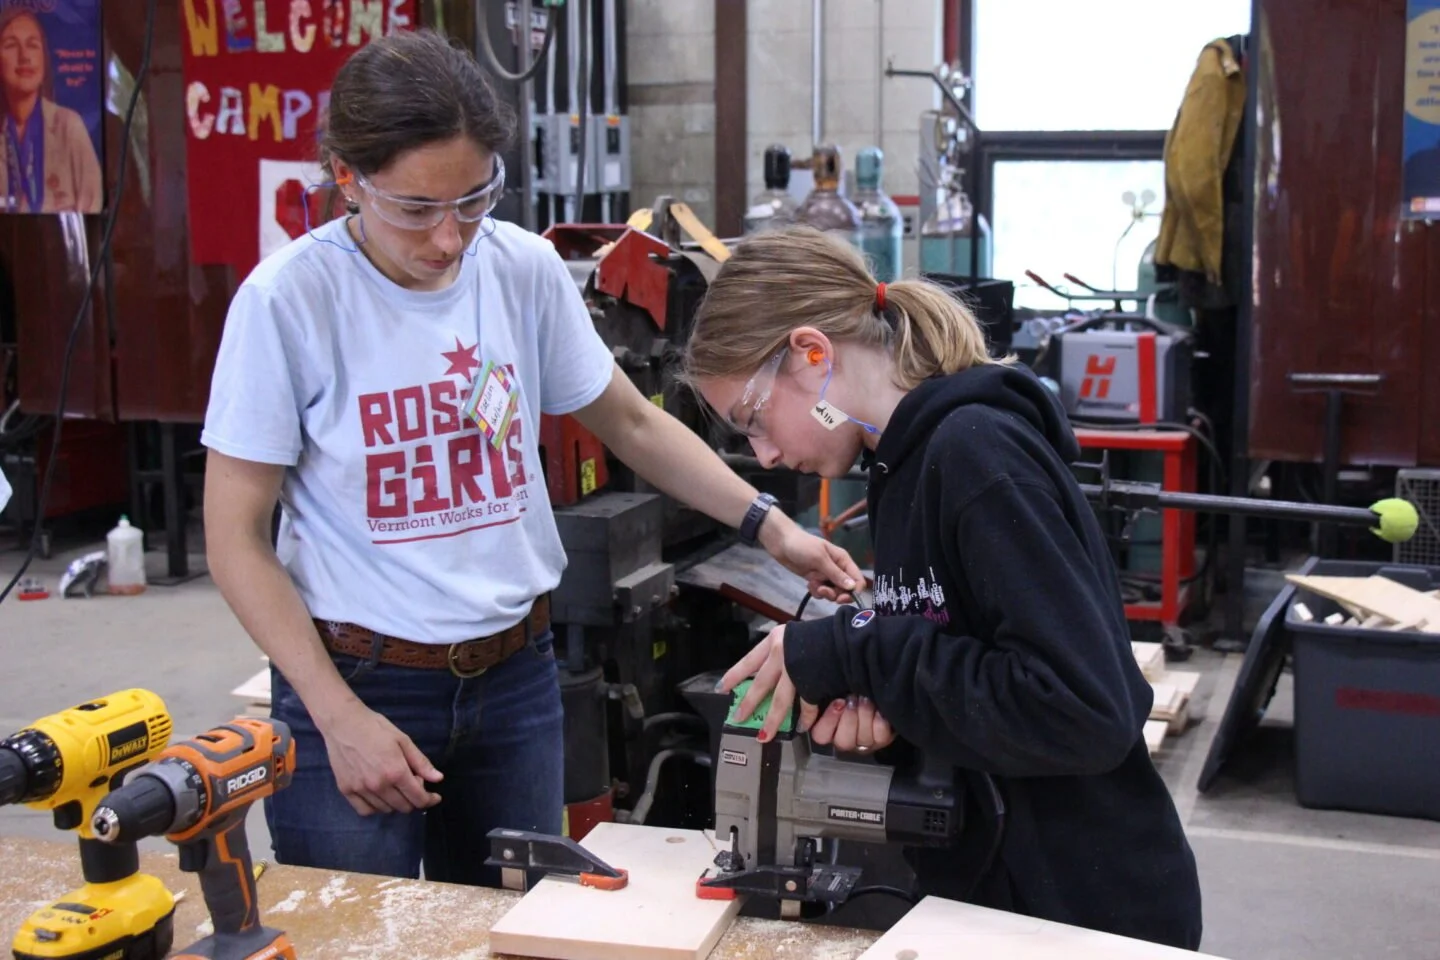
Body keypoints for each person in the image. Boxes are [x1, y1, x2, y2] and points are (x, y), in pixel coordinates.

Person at [199, 30, 861, 885]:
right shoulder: (287, 302)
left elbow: (631, 422)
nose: (449, 239)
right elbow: (235, 538)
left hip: (514, 679)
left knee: (511, 924)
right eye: (416, 209)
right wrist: (336, 715)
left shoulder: (520, 268)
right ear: (347, 177)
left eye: (475, 200)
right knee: (361, 932)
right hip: (358, 683)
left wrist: (769, 526)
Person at [684, 225, 1204, 950]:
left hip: (1087, 911)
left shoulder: (975, 455)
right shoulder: (899, 468)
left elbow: (1086, 710)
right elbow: (977, 669)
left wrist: (859, 651)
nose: (764, 454)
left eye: (753, 419)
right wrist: (894, 705)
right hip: (1000, 897)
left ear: (812, 354)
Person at [0, 8, 102, 214]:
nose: (24, 56)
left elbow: (93, 204)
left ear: (44, 60)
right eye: (11, 45)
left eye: (32, 45)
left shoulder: (69, 125)